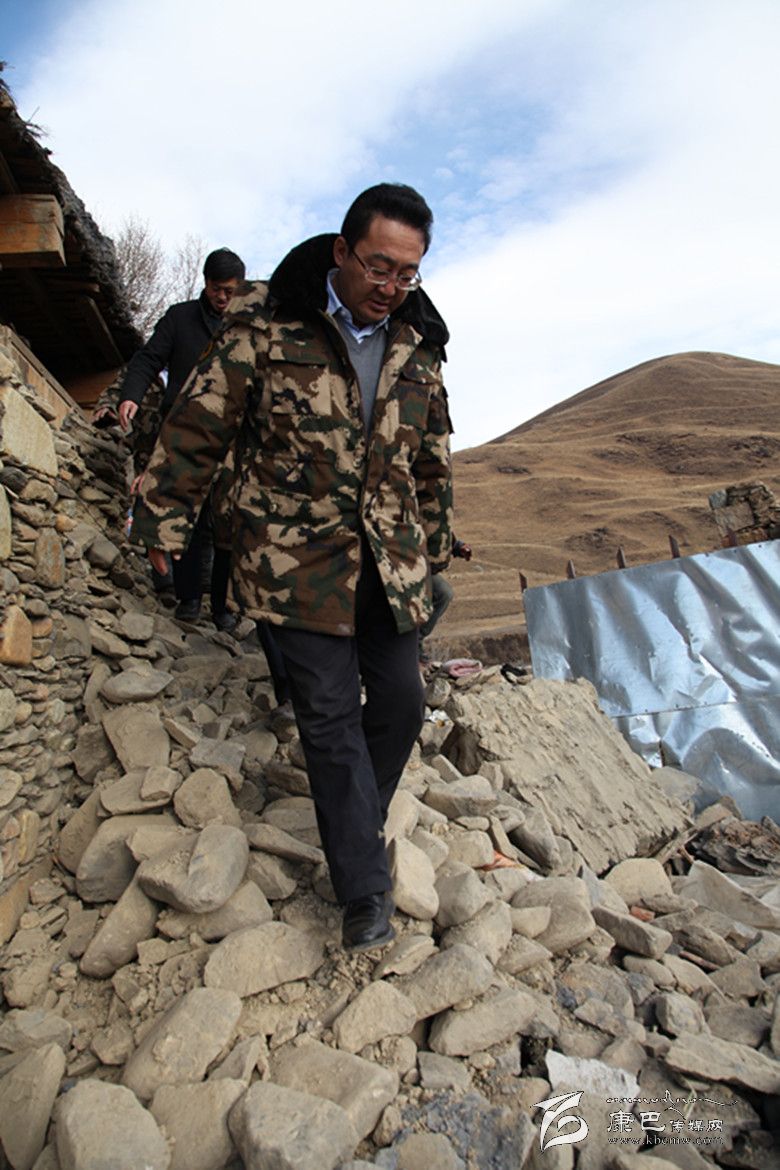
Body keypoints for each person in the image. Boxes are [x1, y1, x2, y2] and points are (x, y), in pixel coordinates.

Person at [131, 183, 453, 951]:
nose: (392, 285)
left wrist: (436, 547)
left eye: (408, 272)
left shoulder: (419, 344)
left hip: (389, 562)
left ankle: (353, 818)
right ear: (343, 252)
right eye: (379, 266)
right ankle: (363, 889)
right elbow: (197, 426)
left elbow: (432, 459)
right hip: (290, 559)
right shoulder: (266, 324)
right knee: (329, 715)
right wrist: (163, 522)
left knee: (403, 702)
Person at [118, 247, 246, 628]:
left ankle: (222, 607)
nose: (222, 297)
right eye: (217, 289)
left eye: (230, 291)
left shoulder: (247, 327)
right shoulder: (180, 317)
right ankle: (188, 599)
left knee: (228, 523)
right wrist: (130, 395)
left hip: (234, 438)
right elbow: (148, 359)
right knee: (189, 514)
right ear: (205, 283)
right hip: (185, 434)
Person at [418, 536, 472, 663]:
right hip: (402, 564)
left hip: (423, 567)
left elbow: (439, 532)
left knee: (443, 593)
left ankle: (417, 639)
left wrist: (458, 546)